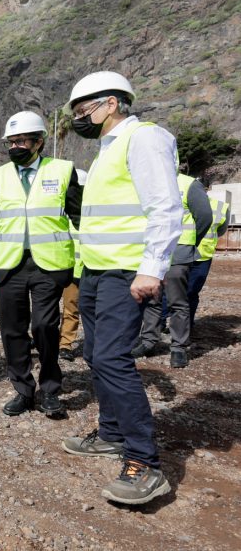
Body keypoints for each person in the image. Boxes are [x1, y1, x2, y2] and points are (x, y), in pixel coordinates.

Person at [61, 71, 181, 505]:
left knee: (112, 359)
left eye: (83, 109)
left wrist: (152, 268)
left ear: (111, 103)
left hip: (126, 272)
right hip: (95, 272)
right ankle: (111, 434)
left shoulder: (143, 139)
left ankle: (144, 462)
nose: (79, 118)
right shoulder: (106, 150)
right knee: (94, 355)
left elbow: (165, 206)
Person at [0, 111, 81, 419]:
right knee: (12, 330)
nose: (16, 146)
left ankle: (49, 387)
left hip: (49, 263)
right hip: (10, 265)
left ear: (39, 142)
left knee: (45, 326)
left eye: (22, 141)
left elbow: (78, 216)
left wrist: (88, 257)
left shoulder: (62, 171)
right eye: (11, 141)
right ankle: (23, 389)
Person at [132, 171, 212, 366]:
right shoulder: (146, 180)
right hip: (150, 252)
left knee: (177, 301)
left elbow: (204, 217)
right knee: (151, 299)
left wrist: (190, 243)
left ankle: (178, 347)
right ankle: (149, 340)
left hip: (178, 252)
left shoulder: (188, 184)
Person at [188, 192, 230, 328]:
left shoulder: (221, 207)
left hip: (187, 254)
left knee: (180, 292)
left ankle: (179, 324)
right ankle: (183, 325)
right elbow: (221, 231)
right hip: (198, 255)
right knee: (190, 292)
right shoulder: (219, 206)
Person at [59, 168, 89, 361]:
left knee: (76, 308)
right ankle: (58, 342)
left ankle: (67, 344)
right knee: (60, 308)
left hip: (84, 270)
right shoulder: (63, 212)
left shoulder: (92, 212)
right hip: (62, 268)